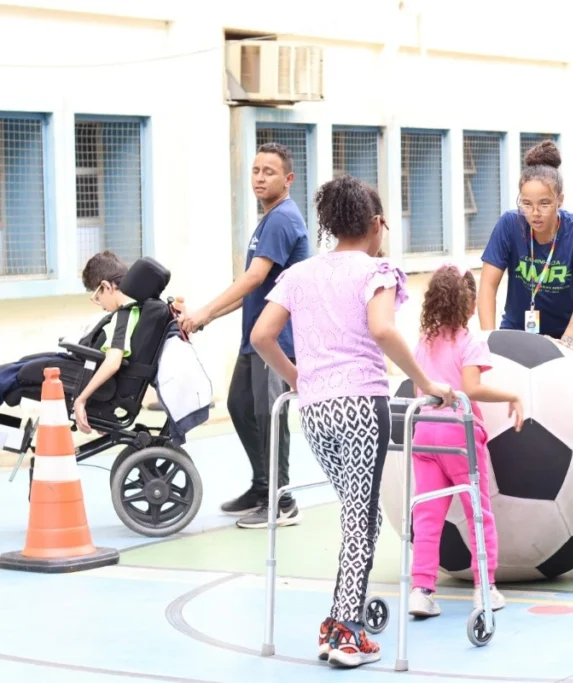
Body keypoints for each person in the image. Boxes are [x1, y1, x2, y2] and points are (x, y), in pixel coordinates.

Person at [250, 174, 455, 669]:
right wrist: (425, 382)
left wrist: (301, 378)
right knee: (360, 519)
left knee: (353, 513)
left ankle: (343, 618)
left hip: (316, 409)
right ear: (377, 224)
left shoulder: (300, 275)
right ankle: (344, 631)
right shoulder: (376, 271)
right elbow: (383, 329)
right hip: (362, 404)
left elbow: (261, 335)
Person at [180, 142, 311, 529]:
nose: (259, 177)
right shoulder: (268, 220)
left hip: (276, 338)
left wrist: (203, 311)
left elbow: (254, 277)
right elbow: (255, 288)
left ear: (287, 180)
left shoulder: (283, 219)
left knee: (268, 415)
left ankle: (281, 499)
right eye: (255, 170)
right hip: (253, 337)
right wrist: (206, 318)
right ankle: (261, 486)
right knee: (240, 406)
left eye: (268, 172)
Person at [407, 264, 524, 619]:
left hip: (424, 434)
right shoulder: (469, 342)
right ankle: (484, 588)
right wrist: (511, 396)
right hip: (459, 436)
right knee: (478, 512)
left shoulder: (423, 343)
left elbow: (420, 390)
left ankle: (421, 590)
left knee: (427, 514)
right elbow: (470, 389)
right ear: (469, 306)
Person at [478, 140, 573, 372]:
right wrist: (489, 340)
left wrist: (567, 343)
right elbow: (487, 286)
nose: (535, 213)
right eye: (526, 204)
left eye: (545, 204)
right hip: (521, 329)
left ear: (560, 199)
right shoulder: (510, 225)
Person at [0, 251, 139, 430]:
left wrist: (81, 400)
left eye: (98, 297)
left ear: (106, 286)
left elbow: (113, 362)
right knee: (15, 368)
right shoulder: (130, 311)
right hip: (81, 363)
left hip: (85, 370)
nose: (101, 304)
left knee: (15, 375)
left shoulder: (123, 317)